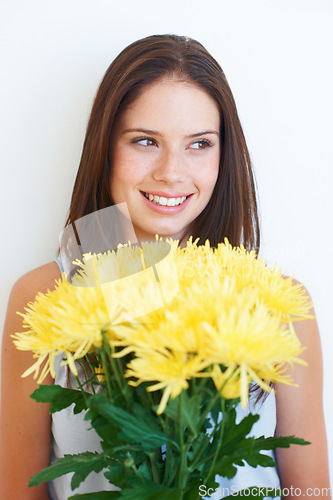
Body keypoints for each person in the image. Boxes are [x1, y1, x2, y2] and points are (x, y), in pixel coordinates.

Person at [0, 34, 330, 500]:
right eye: (145, 141)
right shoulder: (43, 295)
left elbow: (311, 493)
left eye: (199, 144)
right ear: (106, 147)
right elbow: (19, 491)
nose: (172, 172)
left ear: (223, 156)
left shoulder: (280, 303)